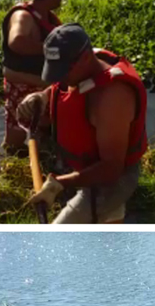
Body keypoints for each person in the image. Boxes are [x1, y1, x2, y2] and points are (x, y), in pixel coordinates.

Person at [16, 23, 148, 224]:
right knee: (109, 221)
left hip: (109, 182)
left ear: (86, 58)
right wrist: (42, 96)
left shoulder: (111, 99)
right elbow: (65, 85)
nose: (59, 78)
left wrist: (58, 184)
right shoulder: (82, 65)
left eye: (62, 72)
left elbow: (111, 168)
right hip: (85, 166)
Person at [0, 0, 68, 152]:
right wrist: (51, 49)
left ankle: (40, 153)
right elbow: (16, 41)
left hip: (44, 82)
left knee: (46, 124)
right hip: (23, 82)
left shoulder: (46, 16)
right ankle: (13, 154)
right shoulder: (23, 16)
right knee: (18, 127)